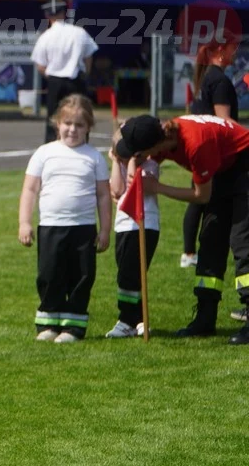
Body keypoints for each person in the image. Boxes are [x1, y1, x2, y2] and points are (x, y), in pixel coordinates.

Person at [115, 114, 249, 343]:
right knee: (209, 241)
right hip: (223, 169)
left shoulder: (196, 144)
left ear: (154, 146)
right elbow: (133, 154)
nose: (137, 156)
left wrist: (156, 187)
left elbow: (201, 195)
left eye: (139, 151)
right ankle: (205, 318)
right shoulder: (162, 135)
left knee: (243, 243)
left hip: (244, 165)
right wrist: (132, 165)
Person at [18, 94, 112, 342]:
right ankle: (48, 323)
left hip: (83, 229)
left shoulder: (94, 157)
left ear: (88, 127)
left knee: (81, 276)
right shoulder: (44, 153)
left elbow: (104, 195)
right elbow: (30, 189)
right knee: (50, 274)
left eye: (79, 125)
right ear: (57, 123)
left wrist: (105, 230)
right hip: (51, 227)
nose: (72, 129)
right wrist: (25, 222)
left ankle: (73, 326)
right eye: (67, 123)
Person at [181, 39, 239, 301]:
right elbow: (225, 125)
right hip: (222, 159)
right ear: (219, 51)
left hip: (206, 154)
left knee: (201, 205)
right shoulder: (220, 82)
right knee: (208, 207)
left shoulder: (207, 77)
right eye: (232, 48)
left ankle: (189, 253)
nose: (235, 52)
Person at [104, 138, 161, 338]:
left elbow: (133, 181)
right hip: (124, 226)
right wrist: (115, 161)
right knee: (125, 273)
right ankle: (134, 319)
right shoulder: (118, 166)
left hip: (146, 224)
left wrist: (132, 161)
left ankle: (130, 319)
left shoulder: (150, 166)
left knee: (135, 273)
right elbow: (118, 190)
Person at [30, 0, 98, 144]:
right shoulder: (79, 32)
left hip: (56, 81)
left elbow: (40, 64)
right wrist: (85, 73)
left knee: (53, 117)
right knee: (81, 114)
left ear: (47, 16)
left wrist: (50, 75)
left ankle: (51, 144)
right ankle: (82, 143)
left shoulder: (45, 36)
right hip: (76, 79)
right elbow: (89, 56)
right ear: (64, 13)